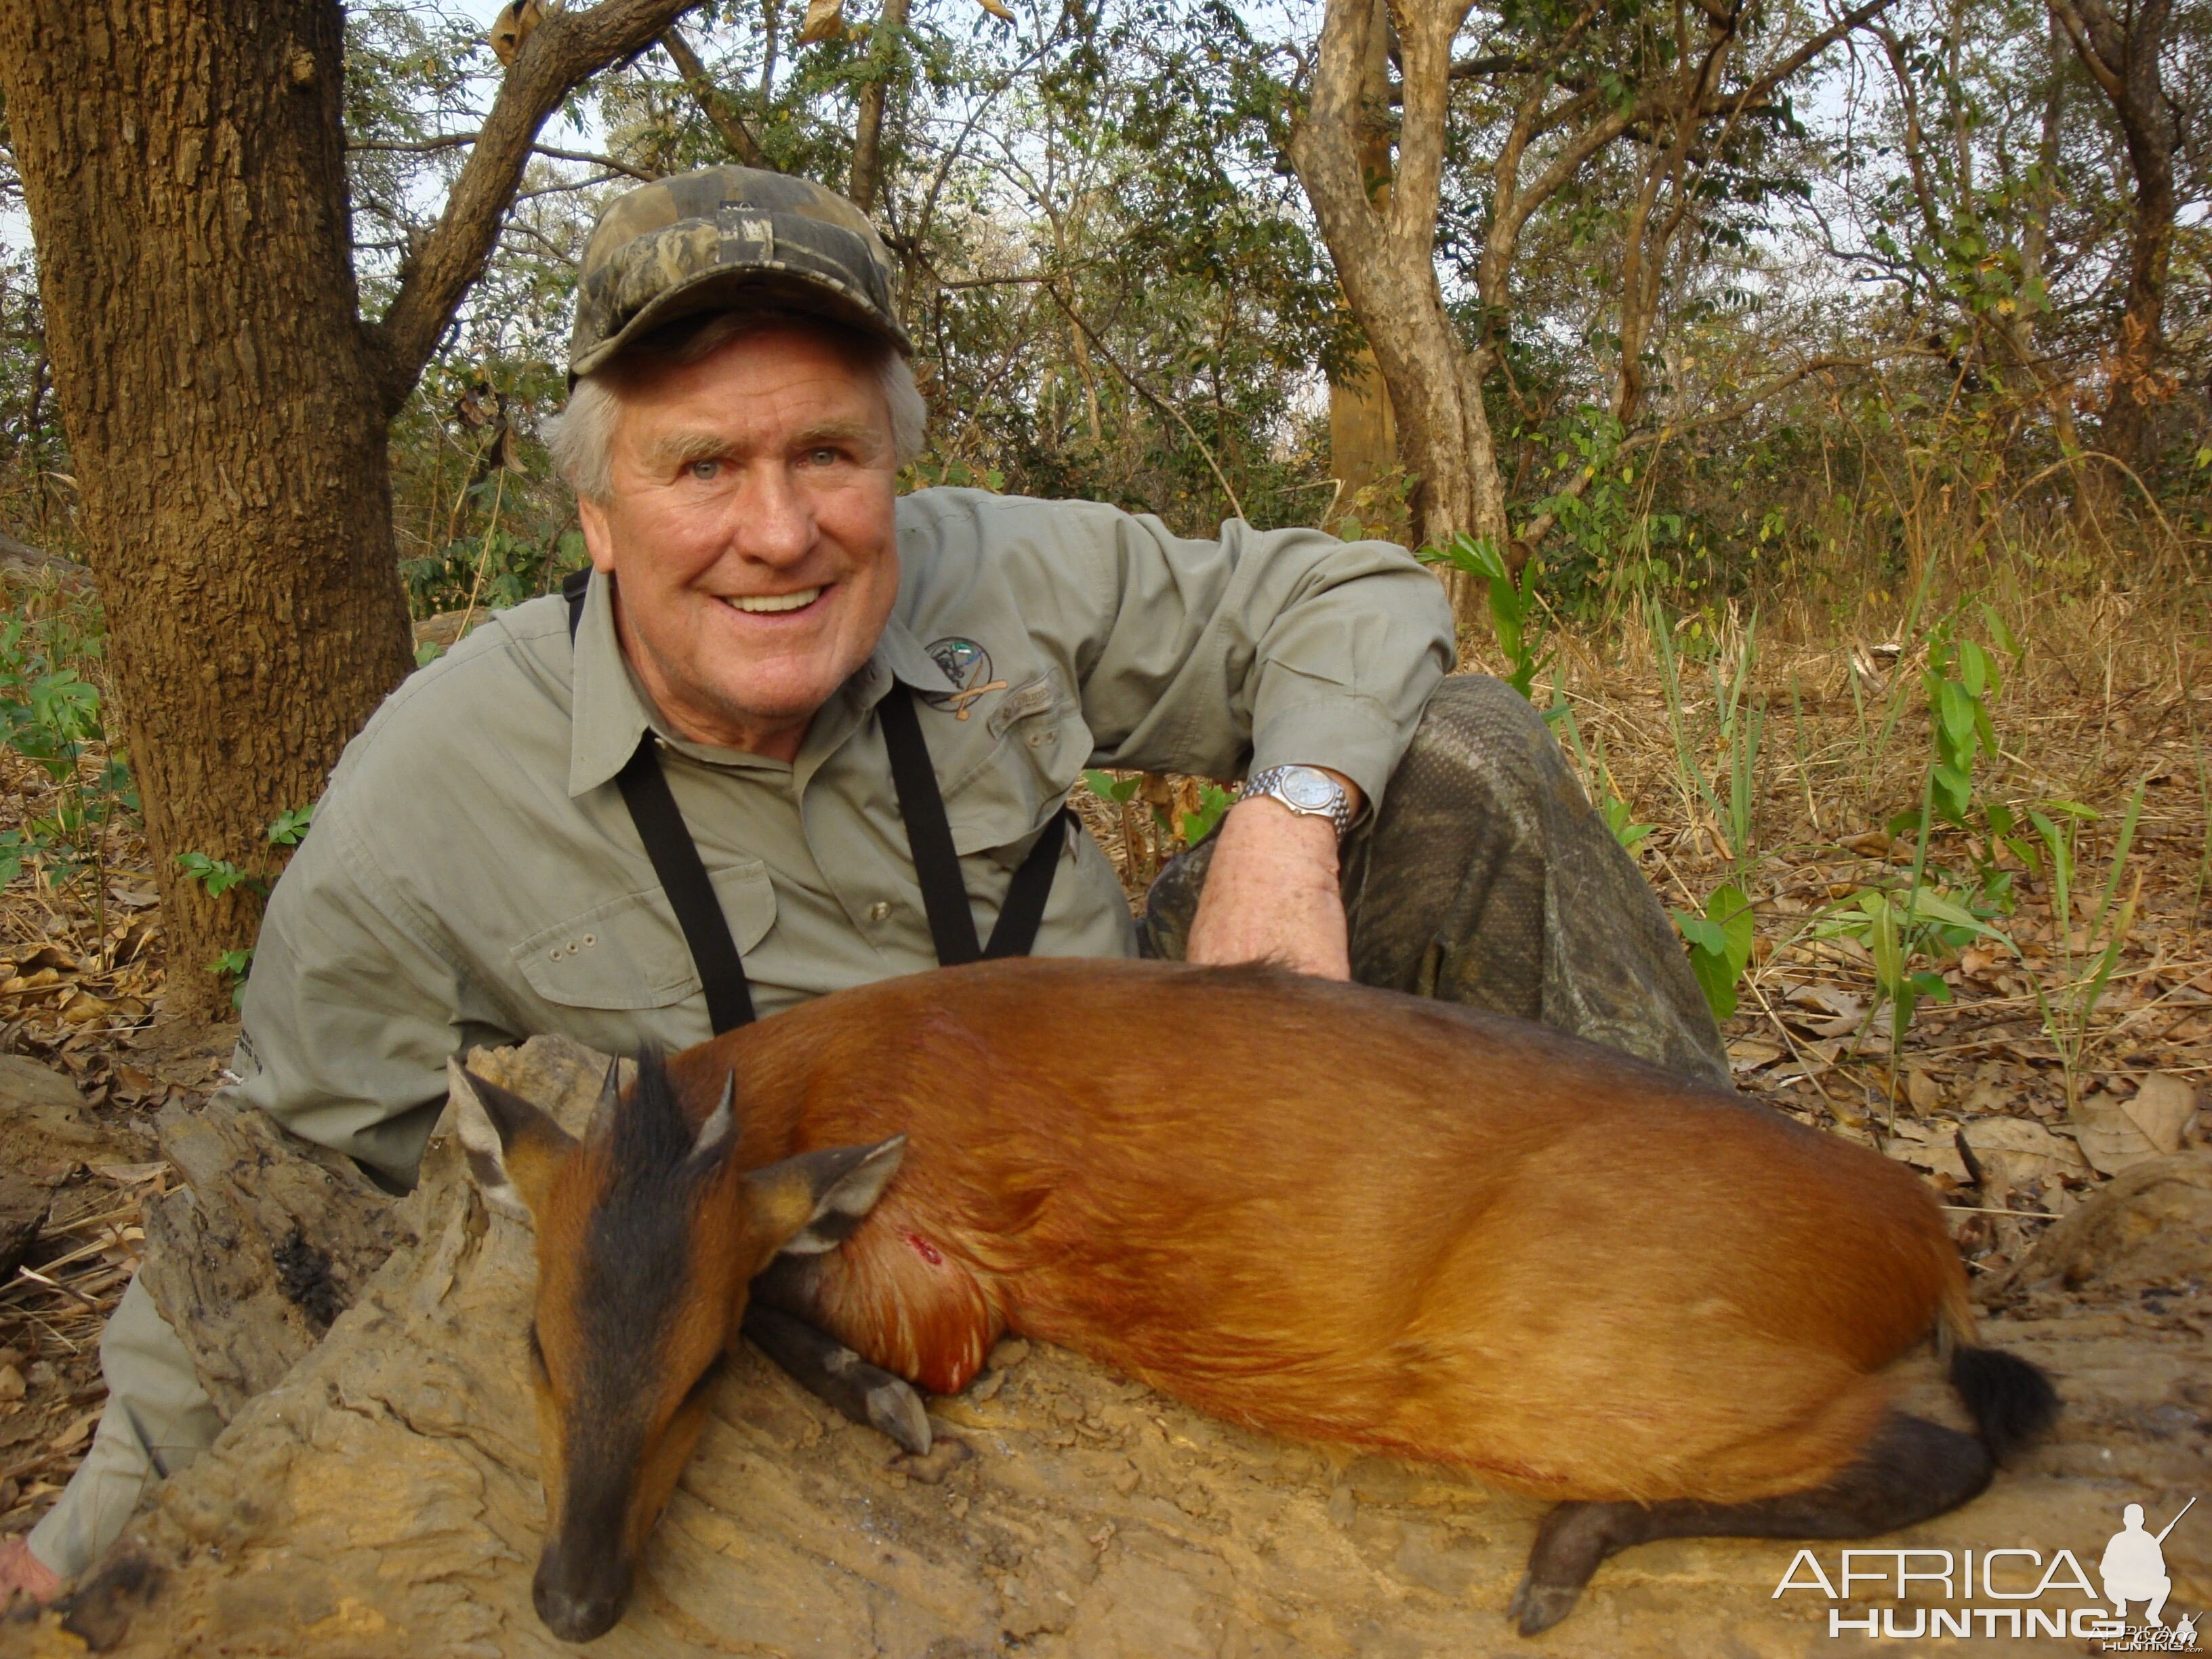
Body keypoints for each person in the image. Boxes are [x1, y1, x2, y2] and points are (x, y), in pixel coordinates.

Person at [0, 166, 1723, 1603]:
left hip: (1152, 1124)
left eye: (828, 454)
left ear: (892, 463)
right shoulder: (430, 789)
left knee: (1459, 758)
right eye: (700, 470)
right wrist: (90, 1541)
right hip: (853, 1271)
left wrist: (1286, 823)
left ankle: (1720, 1281)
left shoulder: (992, 565)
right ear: (597, 516)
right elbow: (285, 1176)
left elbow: (1359, 594)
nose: (780, 531)